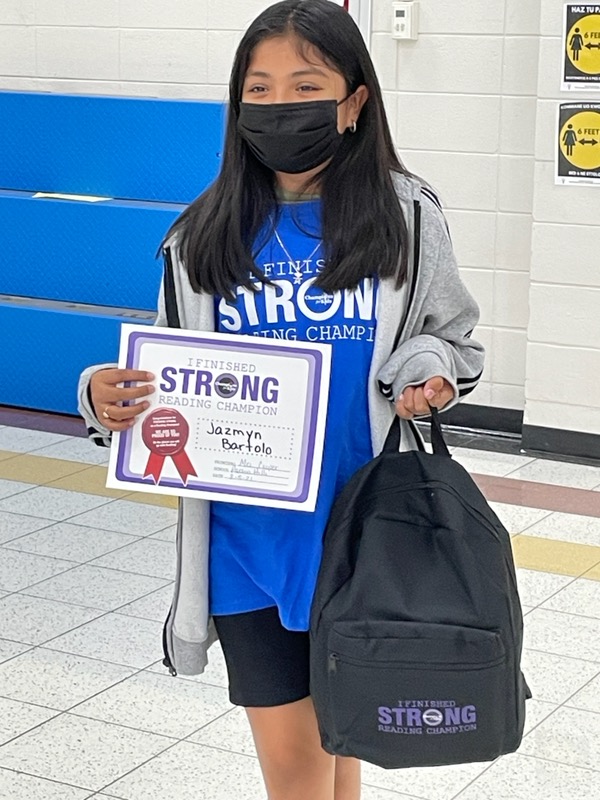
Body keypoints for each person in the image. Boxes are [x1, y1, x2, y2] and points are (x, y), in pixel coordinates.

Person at [78, 2, 484, 798]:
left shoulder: (403, 216)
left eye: (305, 85)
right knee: (296, 766)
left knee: (343, 740)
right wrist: (102, 396)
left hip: (362, 535)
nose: (278, 106)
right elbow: (163, 370)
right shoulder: (200, 236)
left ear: (354, 100)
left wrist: (426, 374)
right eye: (258, 90)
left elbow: (453, 344)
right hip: (245, 544)